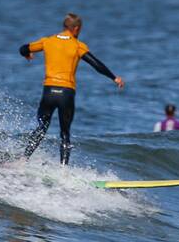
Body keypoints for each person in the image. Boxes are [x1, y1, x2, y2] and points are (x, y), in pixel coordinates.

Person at [18, 13, 125, 165]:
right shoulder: (77, 45)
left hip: (48, 92)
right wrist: (114, 77)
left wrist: (27, 55)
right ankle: (63, 169)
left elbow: (23, 48)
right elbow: (95, 64)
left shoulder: (47, 41)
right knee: (65, 133)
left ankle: (23, 159)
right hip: (66, 93)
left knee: (42, 127)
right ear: (75, 29)